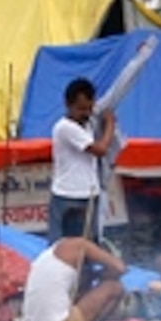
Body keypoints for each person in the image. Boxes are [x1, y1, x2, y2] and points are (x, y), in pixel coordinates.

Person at [18, 234, 133, 321]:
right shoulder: (78, 245)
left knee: (82, 292)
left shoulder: (49, 255)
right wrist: (104, 272)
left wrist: (93, 276)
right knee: (114, 287)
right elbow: (119, 268)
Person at [48, 77, 119, 242]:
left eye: (89, 109)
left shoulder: (88, 125)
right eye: (81, 109)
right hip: (68, 196)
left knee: (88, 244)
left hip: (89, 195)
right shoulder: (65, 128)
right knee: (63, 246)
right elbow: (100, 150)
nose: (86, 114)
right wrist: (110, 124)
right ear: (68, 104)